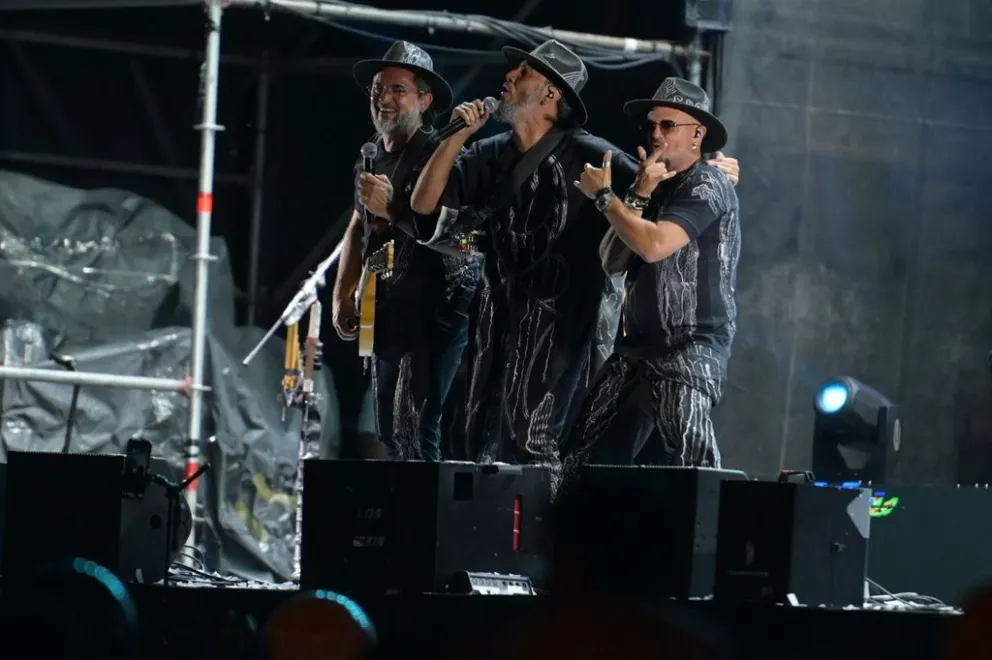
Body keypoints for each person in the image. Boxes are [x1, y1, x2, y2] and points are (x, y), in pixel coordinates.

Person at [411, 41, 740, 483]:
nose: (509, 77)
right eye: (652, 126)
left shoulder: (604, 160)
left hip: (591, 332)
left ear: (551, 92)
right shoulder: (491, 153)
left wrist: (708, 173)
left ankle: (717, 519)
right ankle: (544, 522)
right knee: (497, 441)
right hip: (516, 323)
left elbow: (655, 228)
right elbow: (424, 208)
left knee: (544, 442)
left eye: (524, 72)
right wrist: (456, 137)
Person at [562, 77, 740, 476]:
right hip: (637, 348)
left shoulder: (709, 184)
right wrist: (638, 194)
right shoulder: (653, 185)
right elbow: (612, 261)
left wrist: (605, 198)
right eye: (651, 125)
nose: (656, 134)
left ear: (698, 134)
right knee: (581, 458)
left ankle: (712, 515)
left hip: (690, 344)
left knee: (692, 458)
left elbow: (654, 246)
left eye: (668, 125)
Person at [330, 41, 480, 461]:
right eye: (378, 89)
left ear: (425, 100)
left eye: (398, 90)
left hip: (432, 315)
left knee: (416, 430)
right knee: (390, 433)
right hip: (388, 311)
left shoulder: (443, 157)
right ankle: (404, 504)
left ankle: (427, 506)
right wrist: (343, 293)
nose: (384, 98)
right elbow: (359, 224)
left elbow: (468, 243)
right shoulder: (371, 155)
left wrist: (394, 210)